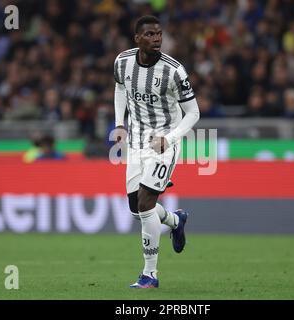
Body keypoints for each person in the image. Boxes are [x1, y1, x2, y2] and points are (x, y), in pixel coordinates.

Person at [113, 15, 200, 288]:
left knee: (145, 203)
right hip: (136, 143)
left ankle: (150, 274)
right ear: (137, 38)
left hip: (164, 143)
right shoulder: (122, 61)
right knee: (135, 208)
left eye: (159, 34)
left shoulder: (174, 70)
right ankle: (175, 220)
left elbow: (194, 113)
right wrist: (119, 124)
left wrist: (170, 138)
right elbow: (119, 88)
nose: (157, 39)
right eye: (150, 35)